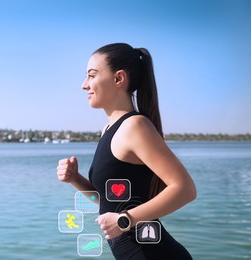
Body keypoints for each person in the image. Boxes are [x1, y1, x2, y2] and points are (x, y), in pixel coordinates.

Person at [57, 43, 197, 259]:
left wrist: (125, 220)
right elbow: (109, 200)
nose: (84, 85)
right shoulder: (109, 130)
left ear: (118, 79)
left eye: (92, 75)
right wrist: (75, 178)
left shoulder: (134, 126)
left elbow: (185, 189)